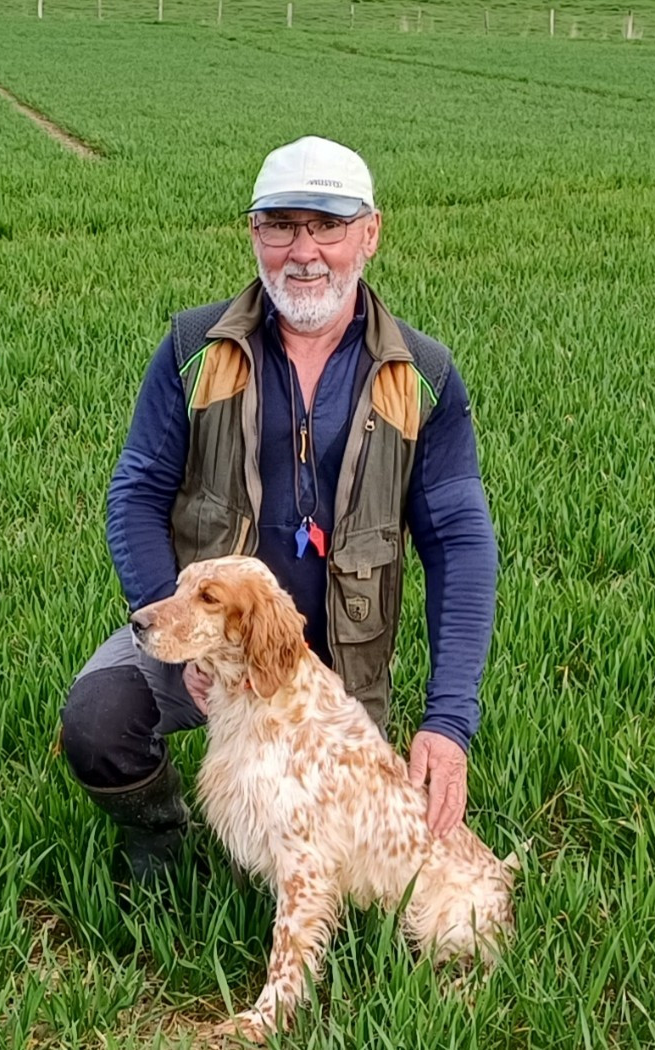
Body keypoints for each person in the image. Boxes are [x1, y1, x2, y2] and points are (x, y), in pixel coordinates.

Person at [60, 135, 499, 882]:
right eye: (280, 225)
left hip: (333, 662)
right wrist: (183, 629)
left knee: (307, 848)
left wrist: (449, 721)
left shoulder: (422, 375)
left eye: (327, 225)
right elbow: (135, 491)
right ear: (253, 234)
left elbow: (459, 540)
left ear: (370, 234)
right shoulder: (193, 349)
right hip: (212, 625)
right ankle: (160, 841)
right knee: (97, 723)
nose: (304, 251)